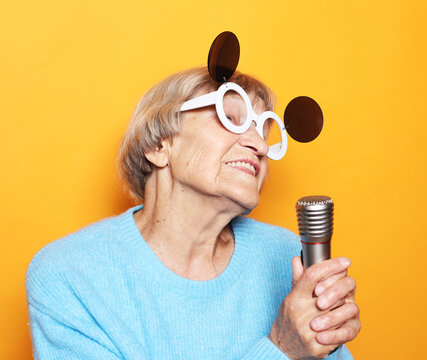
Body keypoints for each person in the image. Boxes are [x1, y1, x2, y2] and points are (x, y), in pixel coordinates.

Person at [26, 67, 361, 359]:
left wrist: (322, 342)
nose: (259, 146)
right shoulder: (69, 276)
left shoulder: (286, 254)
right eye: (231, 117)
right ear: (158, 146)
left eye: (264, 132)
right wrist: (283, 350)